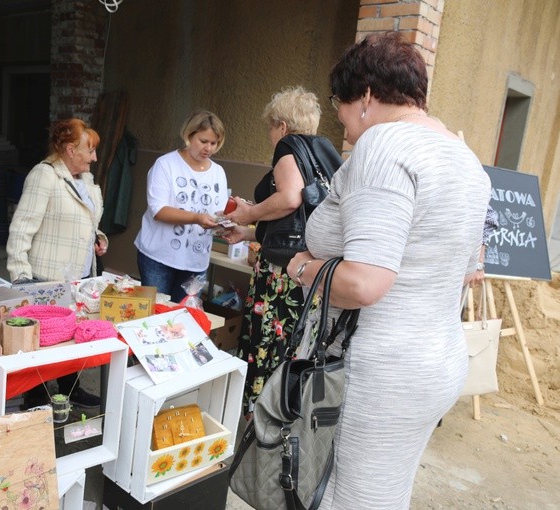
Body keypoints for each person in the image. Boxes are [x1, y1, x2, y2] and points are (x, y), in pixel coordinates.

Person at [286, 32, 491, 509]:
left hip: (380, 370)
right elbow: (465, 271)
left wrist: (302, 267)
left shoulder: (385, 144)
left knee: (351, 499)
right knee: (385, 492)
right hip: (437, 361)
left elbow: (365, 281)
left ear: (368, 96)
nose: (338, 114)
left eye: (339, 100)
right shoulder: (465, 158)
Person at [221, 86, 341, 416]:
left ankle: (260, 415)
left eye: (271, 127)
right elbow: (294, 220)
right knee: (295, 345)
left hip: (280, 275)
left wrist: (249, 212)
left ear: (282, 126)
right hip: (309, 269)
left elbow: (290, 198)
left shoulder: (289, 147)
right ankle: (284, 412)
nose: (271, 135)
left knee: (268, 344)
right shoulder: (323, 153)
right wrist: (248, 232)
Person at [6, 118, 108, 409]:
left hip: (79, 277)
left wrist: (99, 238)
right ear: (69, 149)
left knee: (72, 334)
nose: (95, 157)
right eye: (89, 150)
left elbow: (89, 223)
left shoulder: (85, 180)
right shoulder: (45, 175)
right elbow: (21, 228)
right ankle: (36, 396)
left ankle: (70, 388)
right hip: (45, 277)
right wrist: (21, 277)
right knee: (43, 341)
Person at [134, 109, 228, 302]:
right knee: (154, 314)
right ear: (188, 135)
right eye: (203, 141)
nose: (208, 148)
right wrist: (197, 218)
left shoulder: (218, 172)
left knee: (185, 319)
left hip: (196, 260)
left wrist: (227, 222)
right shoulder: (165, 164)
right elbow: (158, 210)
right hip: (158, 256)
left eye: (214, 143)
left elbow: (220, 212)